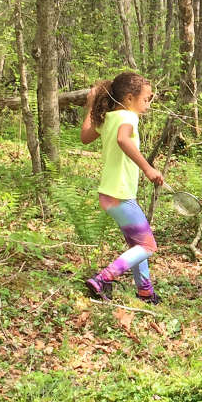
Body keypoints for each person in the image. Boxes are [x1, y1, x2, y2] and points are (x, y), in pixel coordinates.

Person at [80, 72, 164, 304]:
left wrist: (89, 106)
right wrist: (148, 169)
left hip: (108, 193)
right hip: (120, 194)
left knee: (138, 245)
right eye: (146, 98)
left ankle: (145, 292)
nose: (148, 104)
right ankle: (103, 278)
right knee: (147, 245)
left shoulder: (110, 117)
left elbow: (85, 137)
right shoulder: (128, 117)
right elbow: (123, 140)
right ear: (129, 98)